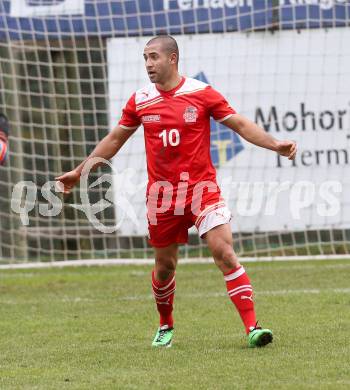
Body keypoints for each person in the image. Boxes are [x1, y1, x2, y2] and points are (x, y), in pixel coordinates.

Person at [56, 35, 297, 348]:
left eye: (154, 57)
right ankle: (165, 324)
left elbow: (238, 124)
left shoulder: (201, 93)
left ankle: (253, 327)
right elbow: (114, 139)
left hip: (202, 189)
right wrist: (80, 171)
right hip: (162, 196)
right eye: (145, 58)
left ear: (173, 59)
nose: (148, 64)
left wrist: (274, 144)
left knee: (224, 253)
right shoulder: (140, 100)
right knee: (165, 266)